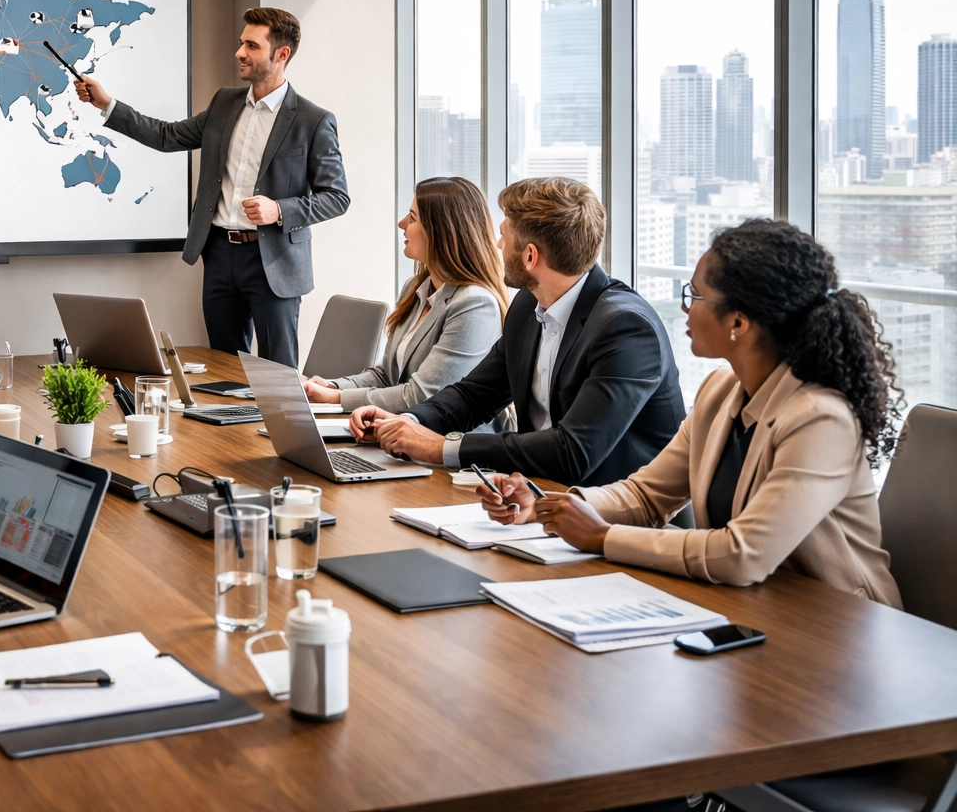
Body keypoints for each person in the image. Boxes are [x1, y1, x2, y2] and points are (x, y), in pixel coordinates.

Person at [479, 219, 902, 606]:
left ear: (738, 321)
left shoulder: (819, 418)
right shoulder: (720, 392)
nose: (685, 307)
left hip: (837, 623)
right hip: (750, 603)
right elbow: (646, 496)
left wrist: (602, 536)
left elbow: (741, 555)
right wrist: (550, 506)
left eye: (695, 295)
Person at [351, 177, 684, 487]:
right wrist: (408, 422)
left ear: (529, 256)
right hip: (537, 496)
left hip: (615, 517)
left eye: (503, 236)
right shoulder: (528, 305)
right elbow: (473, 396)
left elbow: (573, 452)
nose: (496, 244)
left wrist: (442, 448)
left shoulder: (626, 329)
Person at [75, 7, 349, 368]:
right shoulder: (225, 102)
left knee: (277, 375)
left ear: (281, 55)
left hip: (275, 262)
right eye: (241, 43)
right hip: (220, 255)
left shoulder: (313, 121)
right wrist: (106, 104)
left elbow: (337, 197)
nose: (239, 52)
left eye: (251, 45)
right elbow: (167, 135)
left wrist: (279, 209)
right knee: (224, 370)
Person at [304, 177, 507, 414]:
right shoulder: (415, 288)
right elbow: (386, 376)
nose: (401, 224)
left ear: (441, 231)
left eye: (412, 218)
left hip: (451, 444)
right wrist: (330, 386)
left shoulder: (474, 304)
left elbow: (422, 395)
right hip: (400, 429)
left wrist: (337, 398)